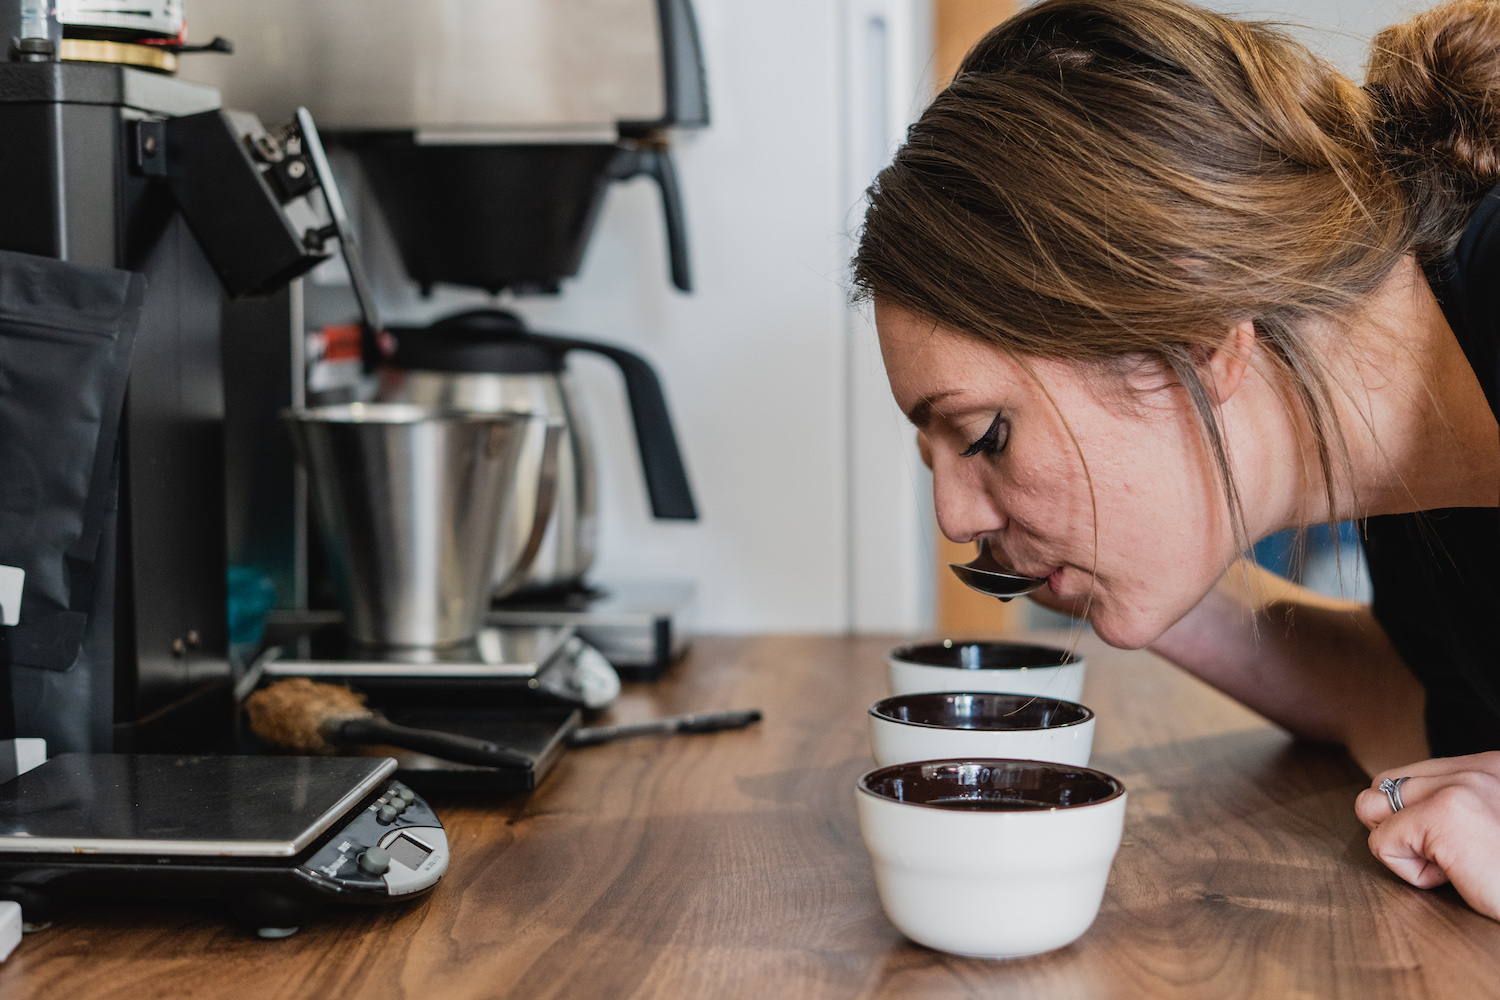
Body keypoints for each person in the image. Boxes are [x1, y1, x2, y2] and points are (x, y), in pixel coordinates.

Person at [853, 0, 1500, 919]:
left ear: (1193, 339)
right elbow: (1420, 711)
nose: (955, 517)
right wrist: (1106, 571)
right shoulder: (1417, 488)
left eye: (988, 435)